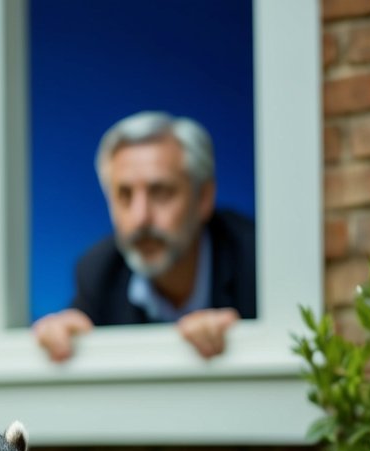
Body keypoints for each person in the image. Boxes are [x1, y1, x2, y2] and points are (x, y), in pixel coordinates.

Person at [32, 111, 256, 362]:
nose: (141, 218)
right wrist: (65, 336)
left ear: (203, 198)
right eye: (125, 195)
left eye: (160, 192)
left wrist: (239, 339)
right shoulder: (98, 272)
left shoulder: (257, 262)